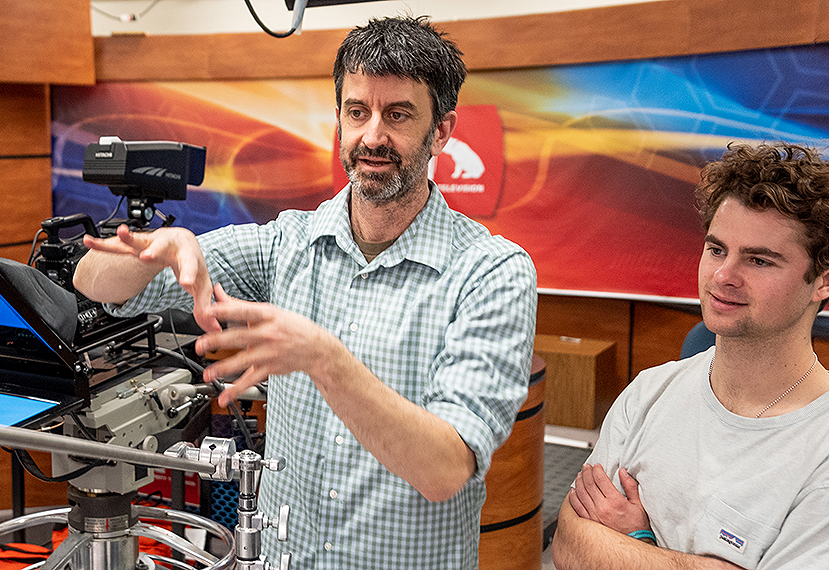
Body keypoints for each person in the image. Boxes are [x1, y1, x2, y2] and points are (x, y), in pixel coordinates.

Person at [73, 15, 538, 570]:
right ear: (339, 121)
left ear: (441, 131)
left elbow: (444, 469)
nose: (372, 136)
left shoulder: (492, 272)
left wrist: (324, 358)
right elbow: (91, 282)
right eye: (357, 112)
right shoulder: (286, 243)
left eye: (398, 115)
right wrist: (163, 247)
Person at [552, 142, 829, 570]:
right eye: (717, 249)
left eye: (758, 260)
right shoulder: (649, 393)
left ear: (825, 281)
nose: (723, 276)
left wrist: (633, 539)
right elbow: (569, 544)